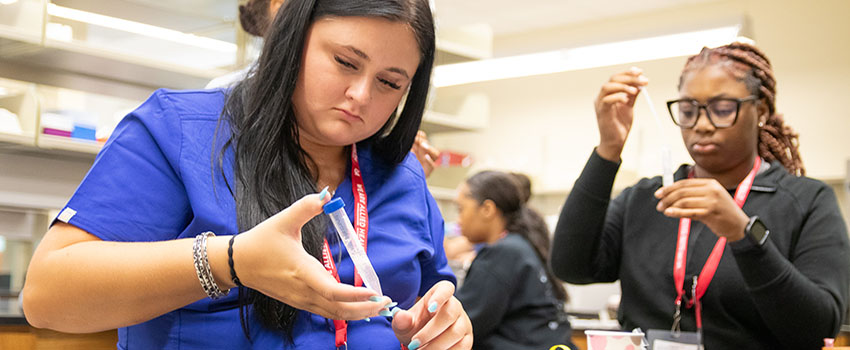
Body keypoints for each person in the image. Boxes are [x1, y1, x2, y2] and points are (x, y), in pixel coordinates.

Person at [22, 1, 473, 349]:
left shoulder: (402, 176)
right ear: (292, 38)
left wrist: (444, 325)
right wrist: (230, 262)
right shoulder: (180, 132)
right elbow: (48, 295)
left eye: (390, 83)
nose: (359, 95)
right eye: (345, 62)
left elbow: (428, 305)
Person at [550, 42, 850, 349]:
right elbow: (571, 266)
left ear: (760, 110)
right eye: (689, 111)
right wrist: (609, 149)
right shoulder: (646, 197)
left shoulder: (807, 201)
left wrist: (744, 235)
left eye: (722, 110)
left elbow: (818, 326)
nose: (702, 125)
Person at [454, 170, 575, 350]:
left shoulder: (503, 254)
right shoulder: (520, 245)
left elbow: (461, 324)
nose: (458, 220)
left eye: (461, 209)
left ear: (487, 209)